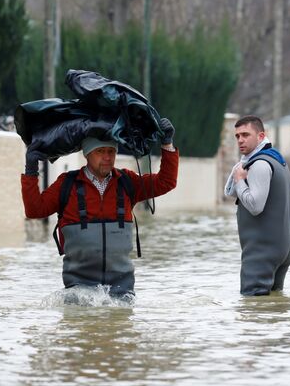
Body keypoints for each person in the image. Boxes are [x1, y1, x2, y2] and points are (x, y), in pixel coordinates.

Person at [21, 118, 178, 297]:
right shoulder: (67, 184)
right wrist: (31, 169)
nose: (107, 157)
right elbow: (34, 210)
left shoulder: (128, 182)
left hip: (122, 293)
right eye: (100, 151)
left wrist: (167, 144)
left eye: (111, 151)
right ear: (87, 154)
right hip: (78, 294)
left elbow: (166, 182)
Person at [224, 115, 290, 296]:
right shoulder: (277, 159)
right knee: (272, 312)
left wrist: (240, 181)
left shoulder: (260, 164)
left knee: (253, 309)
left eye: (245, 135)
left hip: (261, 252)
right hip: (281, 249)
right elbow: (231, 193)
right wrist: (239, 173)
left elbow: (255, 206)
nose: (240, 140)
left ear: (261, 136)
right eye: (237, 136)